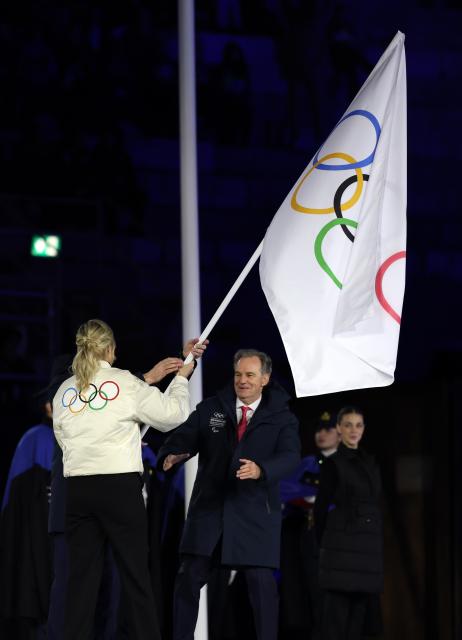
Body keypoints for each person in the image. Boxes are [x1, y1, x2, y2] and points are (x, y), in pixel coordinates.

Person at [52, 319, 198, 640]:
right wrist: (182, 378)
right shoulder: (125, 383)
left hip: (78, 490)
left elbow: (63, 439)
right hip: (118, 488)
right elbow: (172, 415)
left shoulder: (65, 390)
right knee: (134, 577)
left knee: (80, 582)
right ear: (111, 349)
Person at [157, 348, 300, 640]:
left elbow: (290, 456)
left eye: (250, 375)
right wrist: (171, 454)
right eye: (238, 374)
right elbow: (185, 436)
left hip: (255, 516)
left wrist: (261, 469)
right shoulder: (212, 408)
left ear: (265, 379)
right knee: (187, 580)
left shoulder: (282, 417)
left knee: (262, 589)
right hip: (210, 513)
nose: (242, 381)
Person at [314, 406, 383, 640]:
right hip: (341, 553)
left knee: (360, 623)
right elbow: (320, 508)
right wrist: (323, 544)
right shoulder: (334, 464)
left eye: (359, 425)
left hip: (366, 553)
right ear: (339, 430)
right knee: (336, 623)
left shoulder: (370, 463)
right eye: (348, 425)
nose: (354, 430)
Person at [279, 411, 340, 640]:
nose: (322, 434)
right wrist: (310, 497)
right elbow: (283, 490)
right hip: (308, 540)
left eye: (328, 429)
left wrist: (315, 498)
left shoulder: (347, 463)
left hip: (337, 542)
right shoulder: (307, 463)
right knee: (308, 598)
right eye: (318, 429)